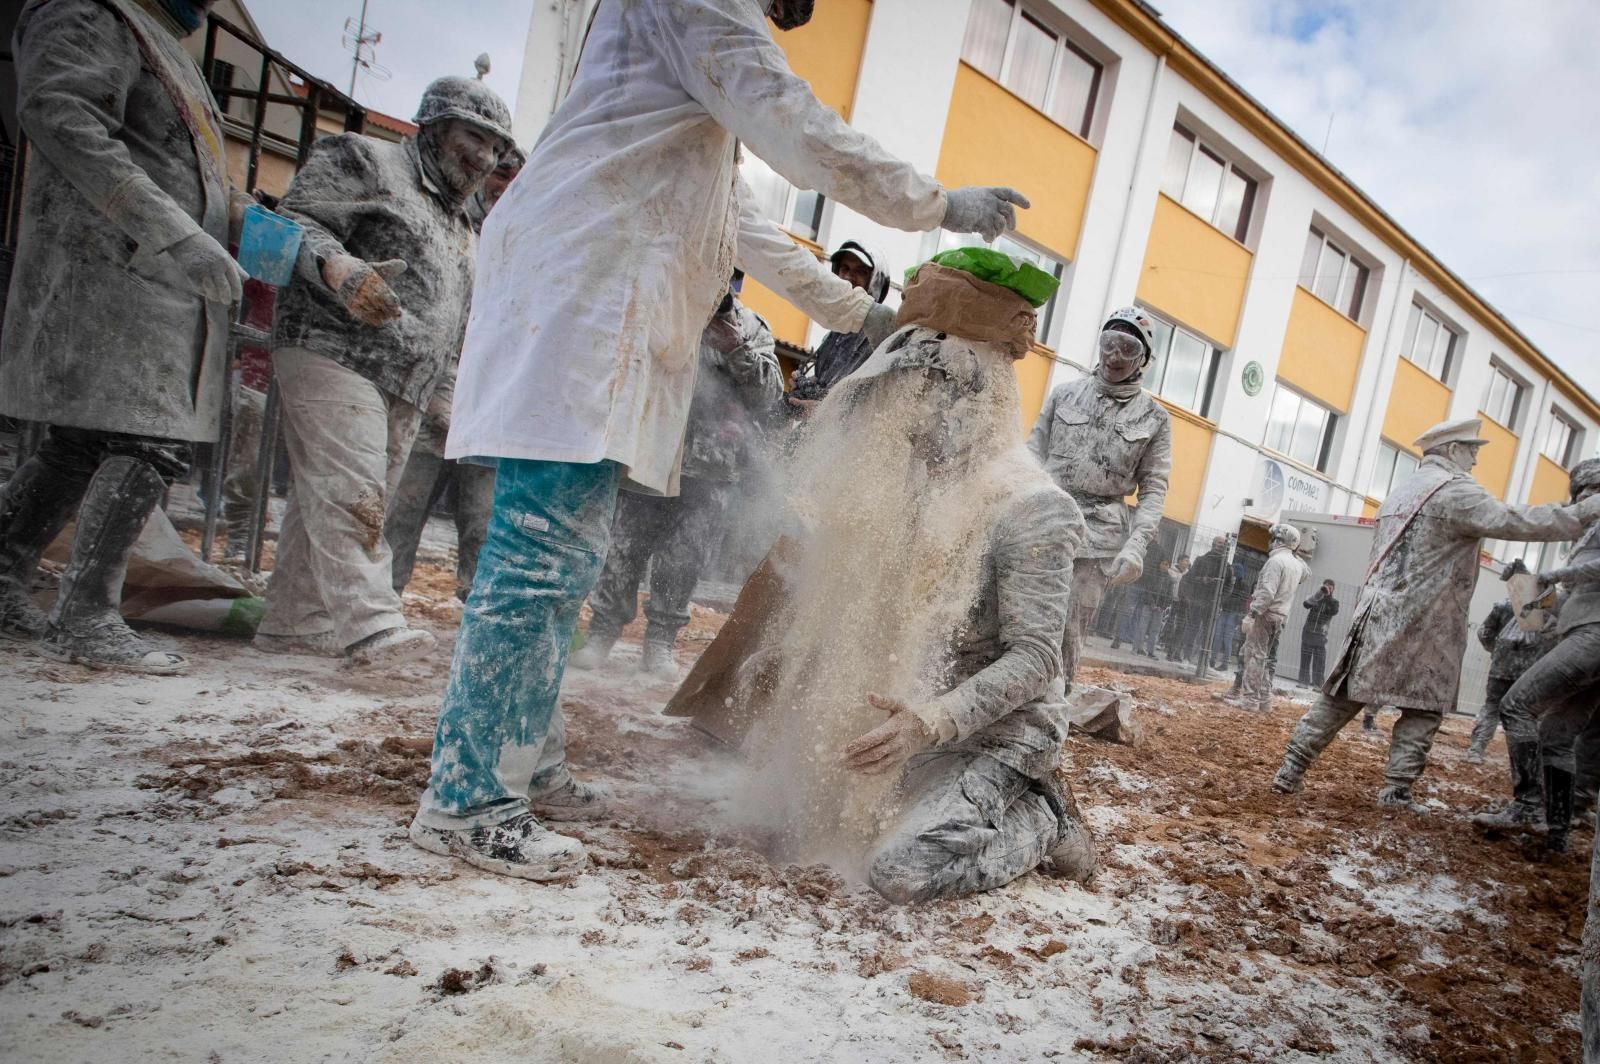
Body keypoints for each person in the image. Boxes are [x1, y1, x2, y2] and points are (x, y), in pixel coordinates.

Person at [409, 0, 1033, 881]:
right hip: (579, 306)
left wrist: (877, 319)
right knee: (538, 560)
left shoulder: (685, 128)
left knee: (567, 563)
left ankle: (525, 759)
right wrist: (935, 203)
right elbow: (789, 115)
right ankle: (469, 797)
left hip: (602, 314)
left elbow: (756, 238)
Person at [0, 0, 244, 672]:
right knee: (147, 439)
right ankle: (86, 615)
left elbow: (210, 188)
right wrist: (172, 230)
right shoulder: (94, 10)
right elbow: (60, 114)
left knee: (80, 445)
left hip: (156, 281)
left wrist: (325, 265)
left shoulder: (171, 51)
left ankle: (3, 574)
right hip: (108, 269)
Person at [253, 77, 513, 665]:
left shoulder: (459, 223)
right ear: (435, 126)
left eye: (497, 149)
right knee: (356, 497)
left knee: (329, 500)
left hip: (409, 382)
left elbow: (456, 320)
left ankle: (294, 622)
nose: (486, 158)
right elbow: (295, 222)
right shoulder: (364, 158)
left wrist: (445, 392)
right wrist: (337, 267)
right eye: (476, 138)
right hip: (334, 348)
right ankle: (371, 625)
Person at [1271, 419, 1600, 811]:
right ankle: (1396, 790)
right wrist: (1587, 510)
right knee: (1424, 706)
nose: (1476, 459)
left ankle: (1290, 769)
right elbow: (1516, 520)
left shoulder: (1402, 491)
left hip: (1377, 611)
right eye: (1473, 450)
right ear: (1454, 449)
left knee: (1342, 695)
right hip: (1428, 619)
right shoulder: (1455, 491)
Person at [574, 274, 780, 674]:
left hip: (711, 468)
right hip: (649, 455)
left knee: (683, 560)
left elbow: (768, 396)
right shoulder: (661, 309)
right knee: (623, 551)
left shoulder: (753, 327)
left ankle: (660, 644)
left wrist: (737, 348)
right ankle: (601, 634)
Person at [385, 146, 527, 600]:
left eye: (515, 180)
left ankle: (477, 607)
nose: (504, 188)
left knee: (483, 519)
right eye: (499, 176)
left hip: (489, 412)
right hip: (431, 398)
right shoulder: (451, 226)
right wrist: (439, 387)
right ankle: (382, 596)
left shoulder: (526, 242)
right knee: (404, 508)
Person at [1026, 309, 1172, 687]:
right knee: (1023, 616)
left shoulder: (1154, 419)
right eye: (1109, 344)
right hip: (1045, 518)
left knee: (1067, 631)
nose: (1114, 356)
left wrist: (1136, 546)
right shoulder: (1065, 394)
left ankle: (1054, 710)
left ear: (1144, 359)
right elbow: (1032, 454)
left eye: (1127, 348)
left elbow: (1154, 487)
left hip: (1097, 541)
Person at [1494, 459, 1600, 853]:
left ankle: (1527, 806)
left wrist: (1555, 575)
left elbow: (1582, 578)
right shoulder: (1585, 542)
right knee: (1556, 736)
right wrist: (1524, 586)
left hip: (1594, 636)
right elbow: (1553, 613)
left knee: (1516, 706)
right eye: (1582, 494)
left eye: (1591, 492)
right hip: (1586, 632)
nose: (1585, 501)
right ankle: (1555, 834)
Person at [785, 242, 890, 416]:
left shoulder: (877, 338)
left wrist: (825, 412)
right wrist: (805, 388)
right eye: (845, 269)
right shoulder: (833, 337)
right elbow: (830, 392)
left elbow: (867, 406)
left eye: (860, 272)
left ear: (875, 284)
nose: (848, 277)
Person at [1222, 524, 1309, 712]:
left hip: (1265, 615)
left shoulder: (1276, 562)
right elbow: (1306, 574)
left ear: (1278, 540)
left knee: (1254, 657)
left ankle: (1250, 700)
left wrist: (1252, 613)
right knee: (1265, 658)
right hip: (1281, 617)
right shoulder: (1295, 564)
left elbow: (1267, 593)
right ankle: (1264, 701)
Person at [1176, 536, 1229, 663]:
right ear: (1212, 544)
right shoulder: (1201, 560)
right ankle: (1186, 656)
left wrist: (1221, 601)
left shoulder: (1226, 565)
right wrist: (1202, 580)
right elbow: (1189, 578)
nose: (1220, 546)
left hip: (1213, 603)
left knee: (1208, 633)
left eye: (1223, 544)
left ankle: (1201, 659)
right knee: (1192, 629)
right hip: (1198, 600)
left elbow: (1228, 586)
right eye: (1218, 543)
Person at [1298, 579, 1341, 687]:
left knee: (1319, 660)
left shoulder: (1334, 602)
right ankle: (1303, 682)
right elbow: (1306, 604)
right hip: (1308, 631)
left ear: (1333, 589)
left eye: (1330, 587)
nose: (1327, 589)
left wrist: (1328, 596)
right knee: (1305, 657)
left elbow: (1334, 611)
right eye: (1326, 586)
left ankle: (1318, 684)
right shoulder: (1316, 597)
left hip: (1321, 634)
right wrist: (1319, 594)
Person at [1211, 560, 1247, 669]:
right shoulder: (1228, 581)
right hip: (1226, 610)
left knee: (1227, 638)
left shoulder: (1243, 585)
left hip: (1233, 612)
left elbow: (1241, 599)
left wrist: (1226, 600)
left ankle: (1225, 663)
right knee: (1218, 636)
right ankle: (1212, 659)